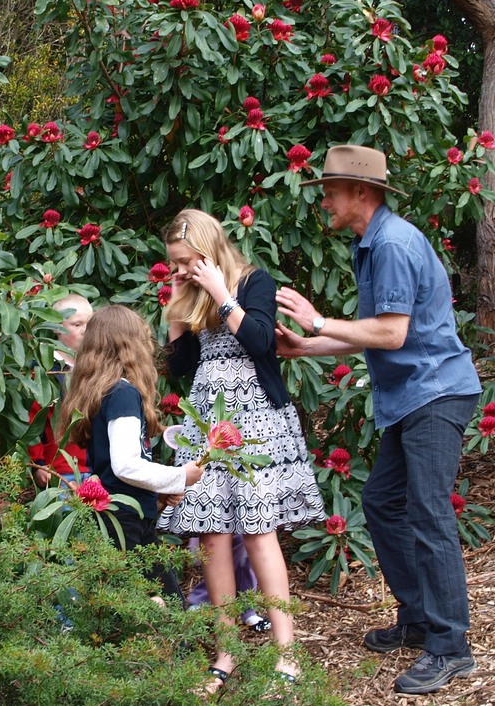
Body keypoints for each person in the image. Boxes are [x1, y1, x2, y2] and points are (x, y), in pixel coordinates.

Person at [275, 144, 481, 696]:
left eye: (331, 191)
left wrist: (317, 321)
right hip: (416, 396)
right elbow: (374, 333)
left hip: (435, 394)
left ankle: (451, 648)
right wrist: (304, 347)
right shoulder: (372, 244)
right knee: (383, 501)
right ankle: (419, 618)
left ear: (360, 193)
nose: (324, 201)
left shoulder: (389, 244)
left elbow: (391, 334)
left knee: (429, 513)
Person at [160, 209, 324, 690]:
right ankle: (226, 652)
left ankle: (286, 656)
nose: (180, 271)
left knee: (258, 533)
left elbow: (258, 341)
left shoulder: (254, 282)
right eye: (174, 264)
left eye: (186, 262)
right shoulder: (190, 293)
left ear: (209, 251)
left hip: (255, 418)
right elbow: (180, 367)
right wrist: (176, 305)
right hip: (208, 419)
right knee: (211, 535)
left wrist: (219, 292)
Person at [59, 304, 204, 602]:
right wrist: (180, 477)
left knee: (145, 604)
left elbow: (115, 467)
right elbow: (125, 466)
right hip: (124, 519)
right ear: (130, 345)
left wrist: (158, 492)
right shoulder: (123, 393)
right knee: (151, 609)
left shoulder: (104, 391)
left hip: (120, 514)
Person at [29, 295, 94, 489]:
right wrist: (38, 463)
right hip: (60, 469)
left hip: (97, 468)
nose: (85, 330)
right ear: (57, 329)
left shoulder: (97, 367)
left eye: (90, 323)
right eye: (77, 325)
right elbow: (33, 422)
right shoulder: (44, 371)